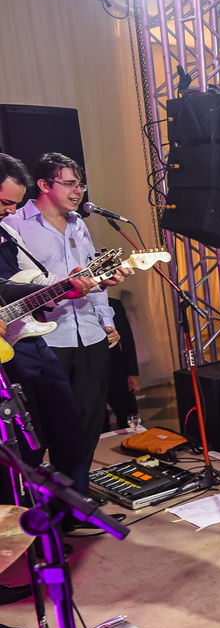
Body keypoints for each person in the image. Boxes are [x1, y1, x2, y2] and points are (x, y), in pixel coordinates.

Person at [3, 153, 127, 468]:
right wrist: (65, 284)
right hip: (44, 337)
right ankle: (34, 498)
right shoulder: (14, 224)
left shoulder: (78, 226)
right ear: (44, 185)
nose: (78, 191)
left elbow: (90, 277)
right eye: (70, 183)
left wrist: (106, 320)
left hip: (87, 332)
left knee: (83, 424)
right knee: (38, 428)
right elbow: (16, 284)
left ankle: (74, 495)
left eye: (80, 184)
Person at [105, 295, 139, 430]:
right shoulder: (74, 307)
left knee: (128, 415)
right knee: (97, 422)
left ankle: (134, 447)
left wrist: (132, 372)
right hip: (88, 373)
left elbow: (127, 340)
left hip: (115, 368)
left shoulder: (113, 304)